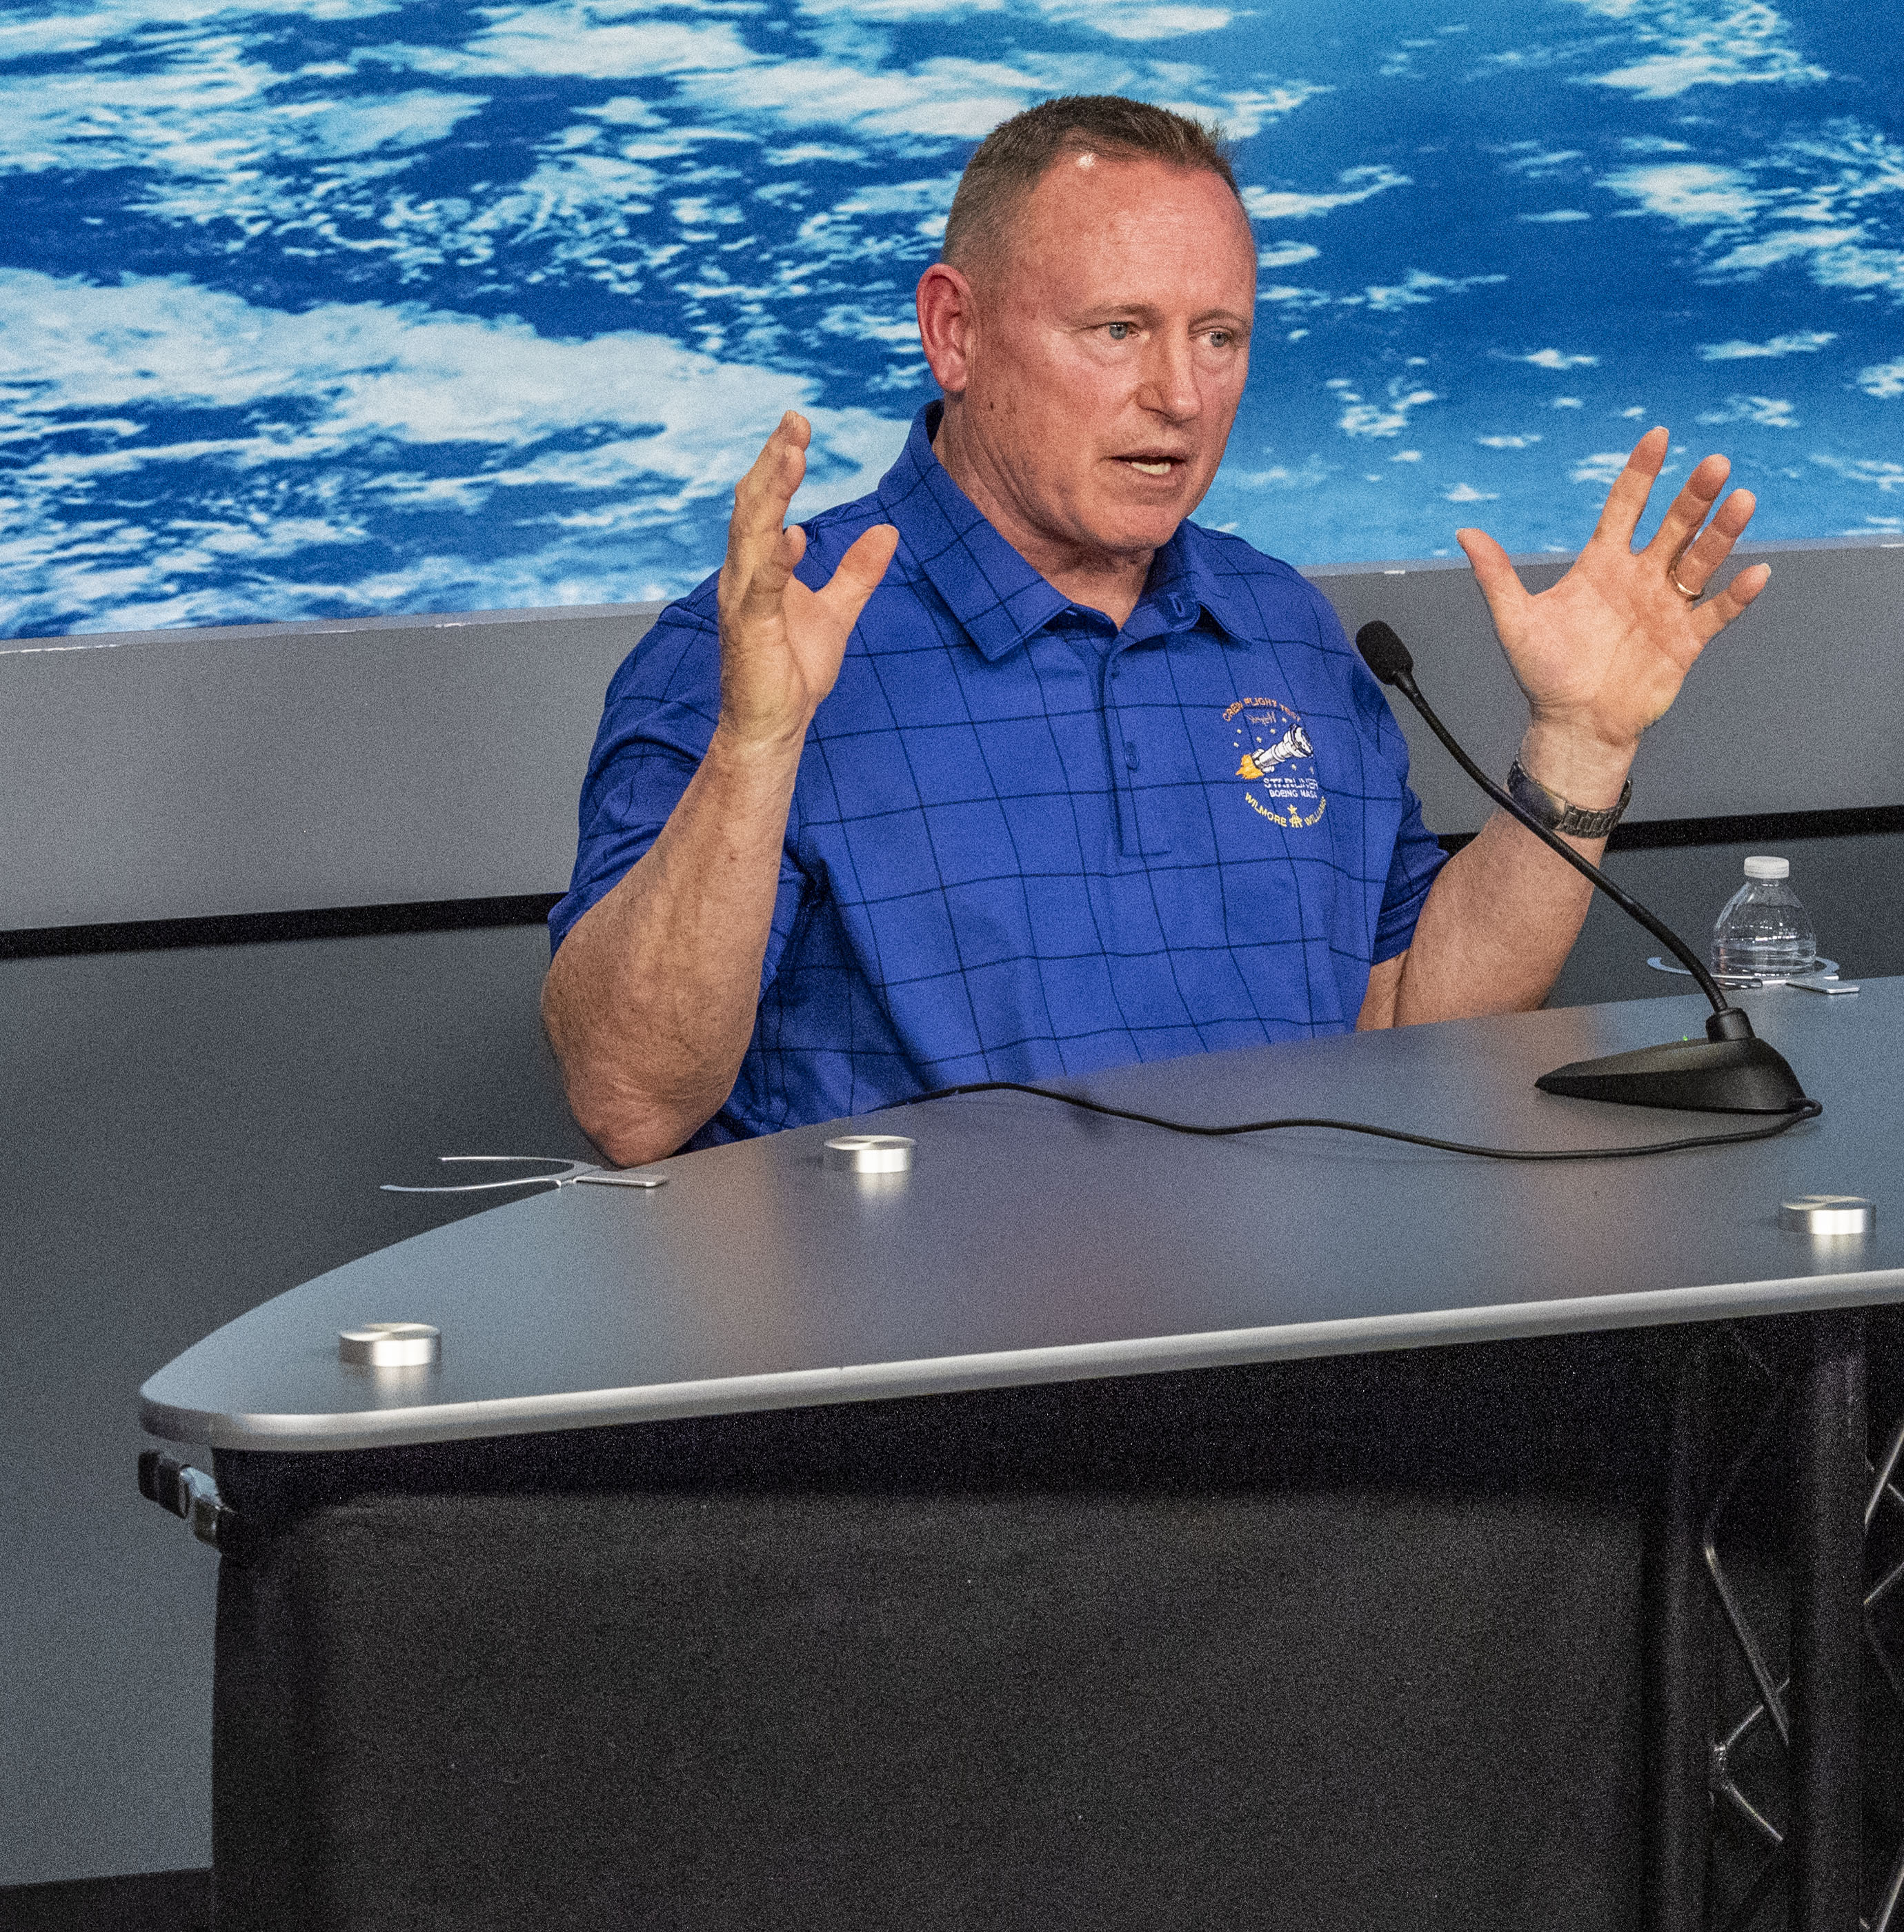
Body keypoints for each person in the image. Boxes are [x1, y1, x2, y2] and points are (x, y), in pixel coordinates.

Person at [544, 97, 1771, 1166]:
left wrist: (1580, 744)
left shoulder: (1282, 629)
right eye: (1118, 330)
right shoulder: (768, 643)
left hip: (1283, 1352)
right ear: (954, 331)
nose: (1179, 397)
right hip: (916, 1385)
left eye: (1219, 337)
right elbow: (631, 1103)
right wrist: (757, 749)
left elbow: (1403, 1023)